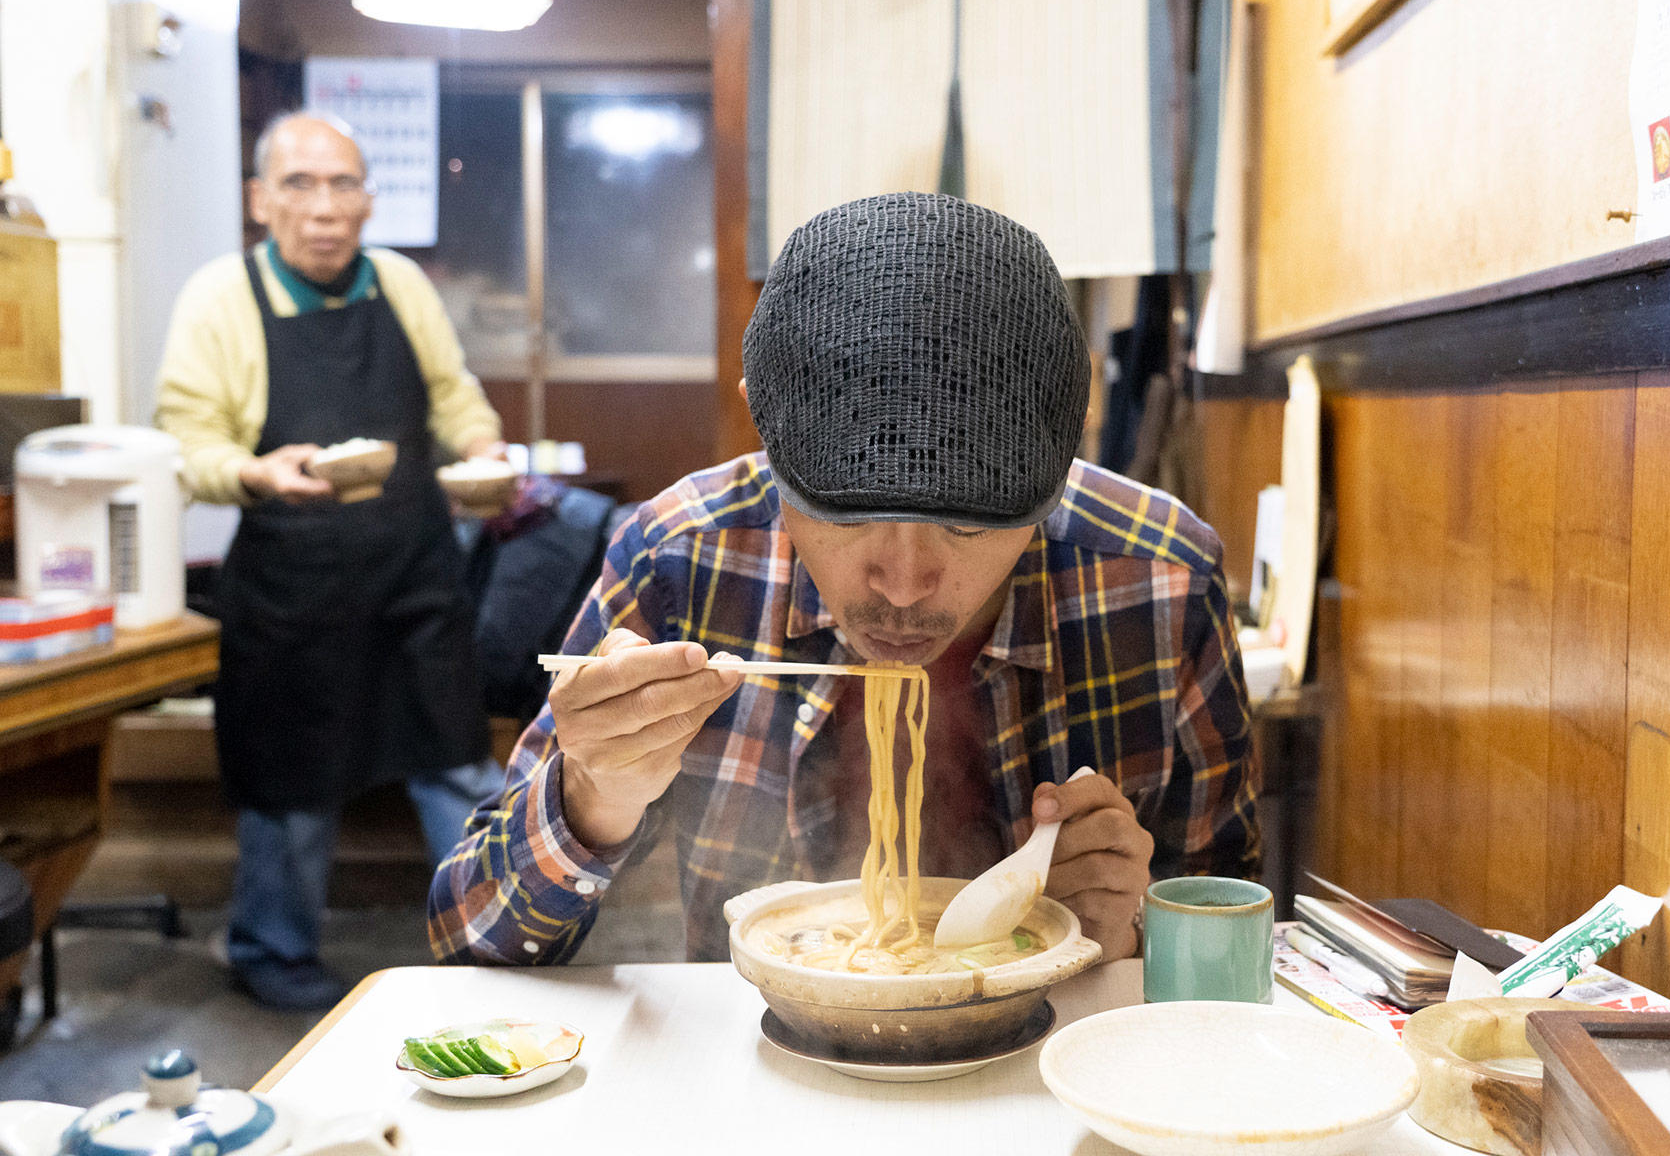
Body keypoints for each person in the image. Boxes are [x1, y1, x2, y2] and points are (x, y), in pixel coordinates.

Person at [428, 192, 1256, 967]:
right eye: (848, 518)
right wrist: (592, 798)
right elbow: (465, 940)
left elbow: (1231, 943)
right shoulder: (683, 556)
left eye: (969, 525)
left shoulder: (1160, 579)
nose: (901, 583)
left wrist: (1139, 927)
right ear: (767, 429)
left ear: (1066, 449)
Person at [156, 112, 507, 1010]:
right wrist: (250, 469)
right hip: (290, 589)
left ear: (368, 200)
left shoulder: (397, 283)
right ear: (261, 200)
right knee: (291, 785)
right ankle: (273, 954)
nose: (325, 208)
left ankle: (505, 940)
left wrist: (481, 448)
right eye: (301, 185)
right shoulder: (221, 298)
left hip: (415, 572)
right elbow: (186, 442)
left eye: (343, 185)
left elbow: (451, 395)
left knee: (459, 765)